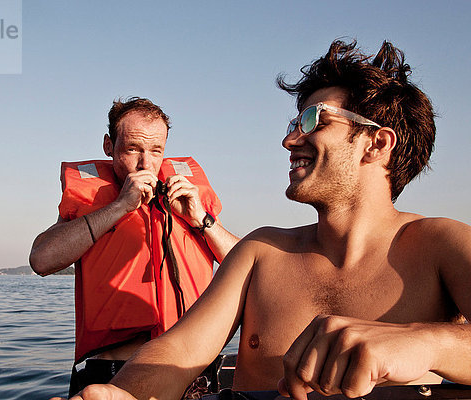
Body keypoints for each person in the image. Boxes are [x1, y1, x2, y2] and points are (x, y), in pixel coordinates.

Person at [68, 40, 471, 400]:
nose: (290, 139)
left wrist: (424, 342)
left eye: (313, 120)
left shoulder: (443, 244)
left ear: (376, 144)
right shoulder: (261, 251)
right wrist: (120, 393)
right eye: (293, 123)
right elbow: (179, 351)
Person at [29, 97, 240, 395]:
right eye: (132, 149)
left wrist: (201, 219)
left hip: (190, 366)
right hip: (113, 369)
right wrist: (119, 207)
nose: (146, 164)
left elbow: (249, 265)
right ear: (108, 146)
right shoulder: (96, 202)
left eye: (156, 151)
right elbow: (41, 259)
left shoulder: (188, 199)